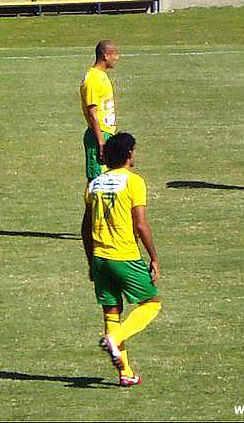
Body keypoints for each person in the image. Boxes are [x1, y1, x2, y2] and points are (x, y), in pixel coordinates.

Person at [81, 132, 161, 388]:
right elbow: (140, 223)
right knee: (151, 304)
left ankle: (125, 373)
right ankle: (115, 339)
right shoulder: (134, 182)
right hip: (125, 255)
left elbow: (84, 228)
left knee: (111, 311)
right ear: (128, 154)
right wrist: (154, 257)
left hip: (100, 258)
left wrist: (90, 262)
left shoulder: (95, 183)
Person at [80, 40, 119, 182]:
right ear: (105, 56)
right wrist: (101, 142)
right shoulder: (93, 79)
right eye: (114, 54)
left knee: (106, 179)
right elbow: (92, 113)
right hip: (98, 135)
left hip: (106, 133)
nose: (117, 57)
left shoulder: (101, 76)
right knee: (95, 181)